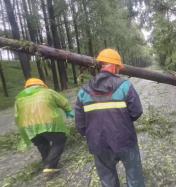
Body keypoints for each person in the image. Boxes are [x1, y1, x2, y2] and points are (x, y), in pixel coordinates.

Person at [75, 49, 145, 187]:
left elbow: (80, 123)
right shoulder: (125, 86)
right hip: (125, 141)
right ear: (113, 66)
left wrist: (92, 135)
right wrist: (122, 123)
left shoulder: (83, 90)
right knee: (134, 175)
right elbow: (136, 112)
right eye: (118, 67)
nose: (119, 70)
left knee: (107, 180)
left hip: (98, 144)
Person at [15, 78, 74, 174]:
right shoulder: (47, 92)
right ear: (41, 85)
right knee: (59, 140)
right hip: (48, 122)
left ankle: (47, 165)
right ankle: (50, 165)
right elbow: (63, 101)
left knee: (42, 144)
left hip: (29, 127)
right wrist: (68, 110)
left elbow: (17, 115)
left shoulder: (19, 98)